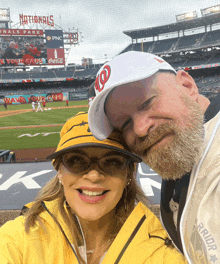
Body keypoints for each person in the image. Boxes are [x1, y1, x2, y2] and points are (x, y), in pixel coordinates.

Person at [0, 112, 186, 264]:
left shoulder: (159, 251)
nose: (94, 175)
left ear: (129, 174)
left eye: (112, 162)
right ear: (59, 171)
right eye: (76, 161)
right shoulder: (18, 238)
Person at [88, 51, 220, 264]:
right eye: (125, 124)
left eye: (148, 102)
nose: (140, 129)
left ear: (187, 86)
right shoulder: (185, 157)